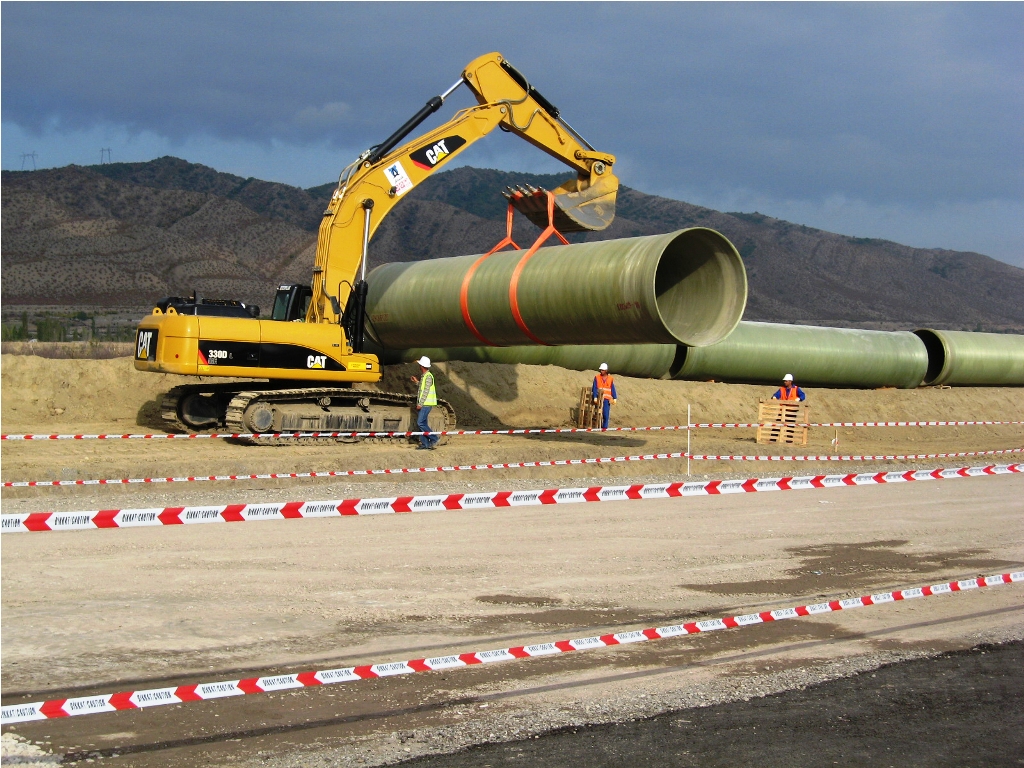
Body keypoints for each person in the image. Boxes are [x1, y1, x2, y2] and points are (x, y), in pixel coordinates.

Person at [410, 356, 439, 450]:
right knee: (423, 423)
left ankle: (434, 439)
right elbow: (423, 387)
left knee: (420, 423)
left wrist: (420, 404)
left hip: (426, 404)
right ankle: (425, 444)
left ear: (422, 366)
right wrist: (417, 382)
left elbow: (425, 391)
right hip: (425, 403)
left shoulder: (428, 376)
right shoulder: (425, 376)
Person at [591, 363, 618, 429]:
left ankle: (604, 428)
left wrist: (615, 398)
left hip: (606, 400)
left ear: (606, 370)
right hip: (599, 398)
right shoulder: (597, 377)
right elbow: (594, 388)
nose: (601, 371)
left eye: (603, 370)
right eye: (601, 370)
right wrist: (595, 397)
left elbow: (612, 388)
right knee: (598, 414)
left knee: (606, 415)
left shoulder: (610, 379)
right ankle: (597, 427)